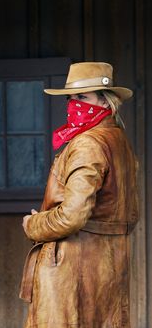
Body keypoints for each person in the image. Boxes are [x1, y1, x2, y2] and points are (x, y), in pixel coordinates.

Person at [20, 62, 139, 328]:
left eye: (83, 97)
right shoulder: (119, 142)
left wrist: (34, 225)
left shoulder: (88, 143)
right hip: (106, 267)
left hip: (71, 269)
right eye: (70, 98)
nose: (73, 104)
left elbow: (71, 217)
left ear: (106, 101)